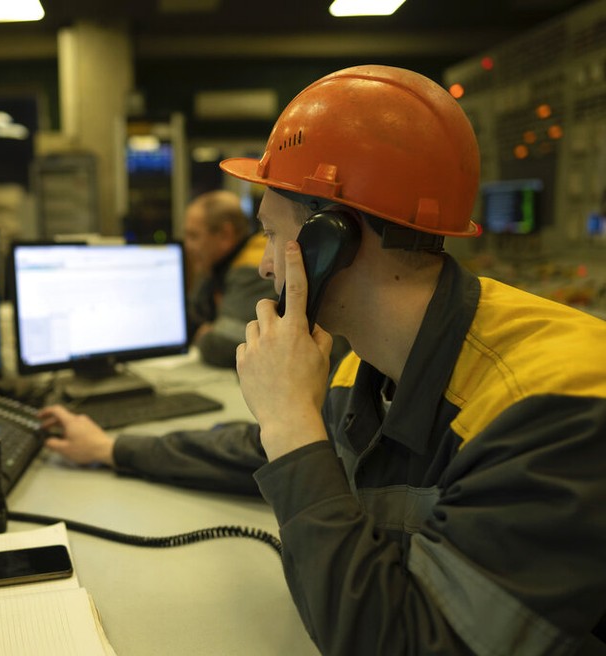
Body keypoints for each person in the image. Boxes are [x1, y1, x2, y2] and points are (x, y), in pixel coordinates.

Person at [40, 64, 606, 653]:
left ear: (331, 238)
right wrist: (110, 448)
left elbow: (414, 643)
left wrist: (289, 422)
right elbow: (260, 450)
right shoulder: (370, 360)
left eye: (269, 233)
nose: (262, 266)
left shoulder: (556, 409)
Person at [184, 189, 276, 368]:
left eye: (194, 236)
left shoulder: (254, 267)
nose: (188, 246)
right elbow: (194, 317)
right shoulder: (216, 265)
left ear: (225, 234)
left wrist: (205, 336)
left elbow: (223, 344)